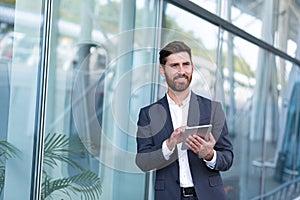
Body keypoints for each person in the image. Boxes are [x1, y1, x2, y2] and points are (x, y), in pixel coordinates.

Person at [135, 41, 234, 200]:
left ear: (192, 68)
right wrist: (169, 145)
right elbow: (142, 162)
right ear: (162, 70)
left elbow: (228, 157)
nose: (182, 71)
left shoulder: (213, 109)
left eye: (186, 64)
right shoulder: (148, 114)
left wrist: (210, 155)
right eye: (174, 65)